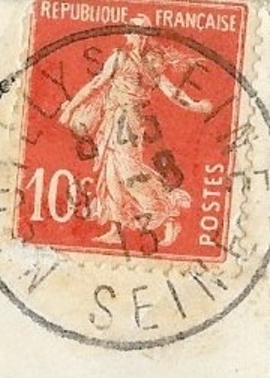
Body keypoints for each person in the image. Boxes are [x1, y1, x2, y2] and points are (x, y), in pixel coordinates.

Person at [57, 15, 215, 247]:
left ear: (147, 36)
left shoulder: (153, 63)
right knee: (109, 173)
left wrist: (195, 105)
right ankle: (115, 227)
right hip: (110, 120)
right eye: (133, 31)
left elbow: (171, 91)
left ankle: (167, 213)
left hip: (129, 122)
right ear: (127, 34)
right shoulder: (118, 58)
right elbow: (96, 84)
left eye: (142, 32)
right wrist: (70, 109)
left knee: (128, 170)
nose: (138, 37)